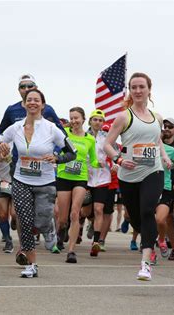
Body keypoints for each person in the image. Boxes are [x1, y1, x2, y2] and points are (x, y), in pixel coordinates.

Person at [0, 89, 76, 278]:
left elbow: (72, 152)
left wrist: (57, 158)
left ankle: (49, 228)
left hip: (45, 181)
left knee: (43, 220)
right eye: (29, 100)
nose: (32, 103)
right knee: (25, 222)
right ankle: (31, 264)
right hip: (21, 180)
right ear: (24, 104)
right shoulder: (16, 127)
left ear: (42, 105)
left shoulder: (52, 128)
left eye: (36, 100)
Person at [104, 72, 171, 281]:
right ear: (130, 91)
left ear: (149, 89)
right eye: (134, 87)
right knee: (135, 217)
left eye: (142, 87)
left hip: (153, 170)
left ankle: (145, 263)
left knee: (148, 210)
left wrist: (164, 157)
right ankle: (152, 240)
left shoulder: (156, 117)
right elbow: (107, 144)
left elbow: (156, 140)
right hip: (129, 174)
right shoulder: (124, 116)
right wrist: (119, 160)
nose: (138, 91)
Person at [56, 107, 99, 263]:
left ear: (83, 119)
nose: (74, 121)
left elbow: (93, 159)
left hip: (80, 178)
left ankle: (72, 250)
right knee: (62, 218)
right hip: (63, 176)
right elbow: (57, 150)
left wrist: (100, 164)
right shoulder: (63, 134)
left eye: (76, 118)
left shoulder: (90, 139)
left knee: (75, 213)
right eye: (71, 118)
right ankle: (61, 231)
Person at [85, 109, 111, 256]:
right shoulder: (83, 136)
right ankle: (90, 221)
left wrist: (115, 164)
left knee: (99, 209)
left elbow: (114, 153)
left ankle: (96, 242)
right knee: (86, 211)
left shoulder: (107, 137)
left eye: (100, 120)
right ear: (90, 121)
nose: (98, 122)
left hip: (102, 178)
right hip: (86, 178)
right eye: (95, 119)